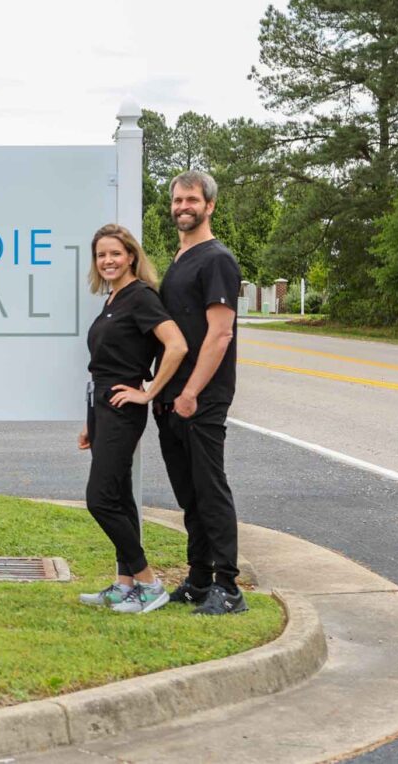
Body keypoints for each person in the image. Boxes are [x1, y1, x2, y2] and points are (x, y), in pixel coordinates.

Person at [77, 224, 188, 614]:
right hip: (102, 406)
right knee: (120, 497)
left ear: (131, 257)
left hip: (123, 407)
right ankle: (124, 585)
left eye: (114, 254)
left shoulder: (140, 296)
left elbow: (176, 345)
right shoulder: (113, 299)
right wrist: (91, 422)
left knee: (100, 498)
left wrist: (149, 390)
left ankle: (148, 583)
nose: (107, 260)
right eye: (100, 255)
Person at [155, 170, 247, 615]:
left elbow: (220, 335)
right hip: (171, 395)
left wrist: (191, 392)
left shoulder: (217, 260)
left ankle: (228, 587)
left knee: (210, 489)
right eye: (177, 200)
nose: (182, 207)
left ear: (209, 205)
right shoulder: (180, 258)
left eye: (191, 199)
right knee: (188, 491)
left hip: (201, 397)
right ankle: (198, 579)